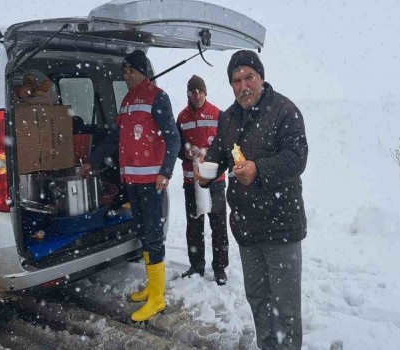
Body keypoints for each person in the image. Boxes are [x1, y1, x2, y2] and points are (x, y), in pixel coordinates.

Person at [195, 50, 308, 349]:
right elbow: (219, 154)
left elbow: (297, 158)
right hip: (246, 227)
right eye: (236, 80)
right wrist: (206, 169)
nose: (243, 86)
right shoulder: (228, 118)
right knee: (258, 298)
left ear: (261, 77)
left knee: (286, 307)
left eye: (249, 77)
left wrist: (259, 169)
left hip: (281, 225)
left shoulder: (285, 110)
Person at [82, 50, 180, 322]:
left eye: (131, 71)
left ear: (142, 71)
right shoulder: (126, 101)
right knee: (142, 231)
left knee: (153, 233)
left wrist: (166, 172)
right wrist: (93, 160)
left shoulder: (157, 97)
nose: (126, 75)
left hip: (151, 181)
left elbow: (173, 138)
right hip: (132, 180)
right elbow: (115, 137)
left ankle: (158, 298)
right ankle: (152, 285)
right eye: (124, 71)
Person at [176, 75, 229, 285]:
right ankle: (196, 265)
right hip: (191, 181)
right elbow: (175, 146)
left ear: (206, 92)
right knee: (194, 226)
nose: (197, 95)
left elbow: (226, 145)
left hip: (215, 180)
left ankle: (220, 268)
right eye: (193, 91)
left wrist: (211, 155)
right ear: (188, 94)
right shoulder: (181, 118)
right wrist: (185, 153)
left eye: (200, 91)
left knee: (218, 226)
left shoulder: (218, 114)